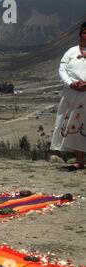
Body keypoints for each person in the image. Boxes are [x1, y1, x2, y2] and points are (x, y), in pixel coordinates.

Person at [51, 22, 86, 171]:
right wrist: (71, 84)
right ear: (80, 34)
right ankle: (79, 160)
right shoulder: (70, 52)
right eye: (85, 32)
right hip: (72, 93)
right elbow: (62, 69)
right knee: (75, 125)